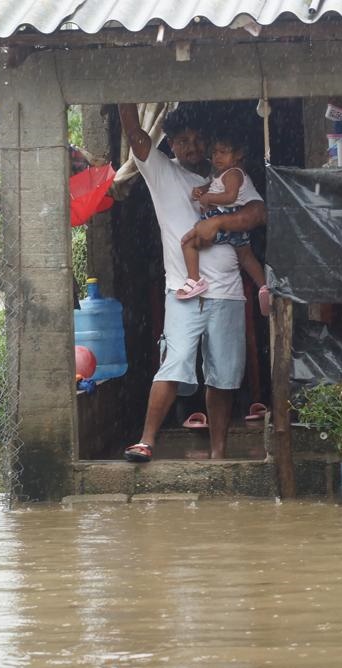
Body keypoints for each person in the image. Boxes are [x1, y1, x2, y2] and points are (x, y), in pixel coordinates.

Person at [118, 103, 267, 462]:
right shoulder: (161, 171)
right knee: (175, 362)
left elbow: (258, 213)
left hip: (228, 294)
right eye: (183, 141)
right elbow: (136, 135)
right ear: (169, 143)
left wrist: (217, 224)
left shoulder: (229, 178)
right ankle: (146, 441)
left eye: (200, 141)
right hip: (183, 293)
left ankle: (218, 452)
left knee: (223, 376)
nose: (192, 148)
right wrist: (123, 98)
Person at [179, 132, 271, 315]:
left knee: (188, 242)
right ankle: (264, 287)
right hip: (235, 224)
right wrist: (202, 190)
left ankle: (194, 280)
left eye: (223, 152)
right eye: (214, 153)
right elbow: (214, 186)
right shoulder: (222, 175)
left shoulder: (234, 174)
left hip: (223, 218)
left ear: (238, 155)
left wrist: (208, 198)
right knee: (246, 256)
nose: (217, 157)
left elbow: (230, 196)